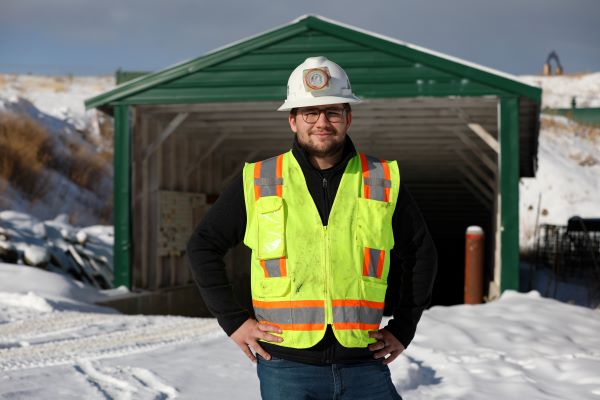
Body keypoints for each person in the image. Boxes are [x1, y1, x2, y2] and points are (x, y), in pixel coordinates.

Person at [186, 56, 437, 400]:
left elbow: (422, 254)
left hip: (363, 364)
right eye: (310, 113)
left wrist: (404, 327)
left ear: (348, 118)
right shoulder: (259, 179)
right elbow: (203, 245)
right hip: (285, 366)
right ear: (293, 120)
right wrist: (233, 320)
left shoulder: (381, 179)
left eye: (333, 112)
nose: (322, 122)